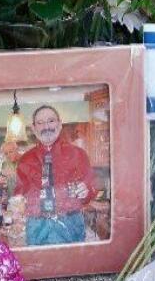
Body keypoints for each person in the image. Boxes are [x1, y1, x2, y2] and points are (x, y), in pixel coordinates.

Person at [10, 105, 96, 245]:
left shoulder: (78, 154)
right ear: (33, 128)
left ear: (60, 124)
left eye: (51, 121)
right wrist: (16, 206)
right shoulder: (25, 160)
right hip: (36, 227)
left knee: (72, 265)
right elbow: (19, 196)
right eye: (40, 123)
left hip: (71, 225)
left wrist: (86, 191)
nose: (46, 126)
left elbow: (90, 191)